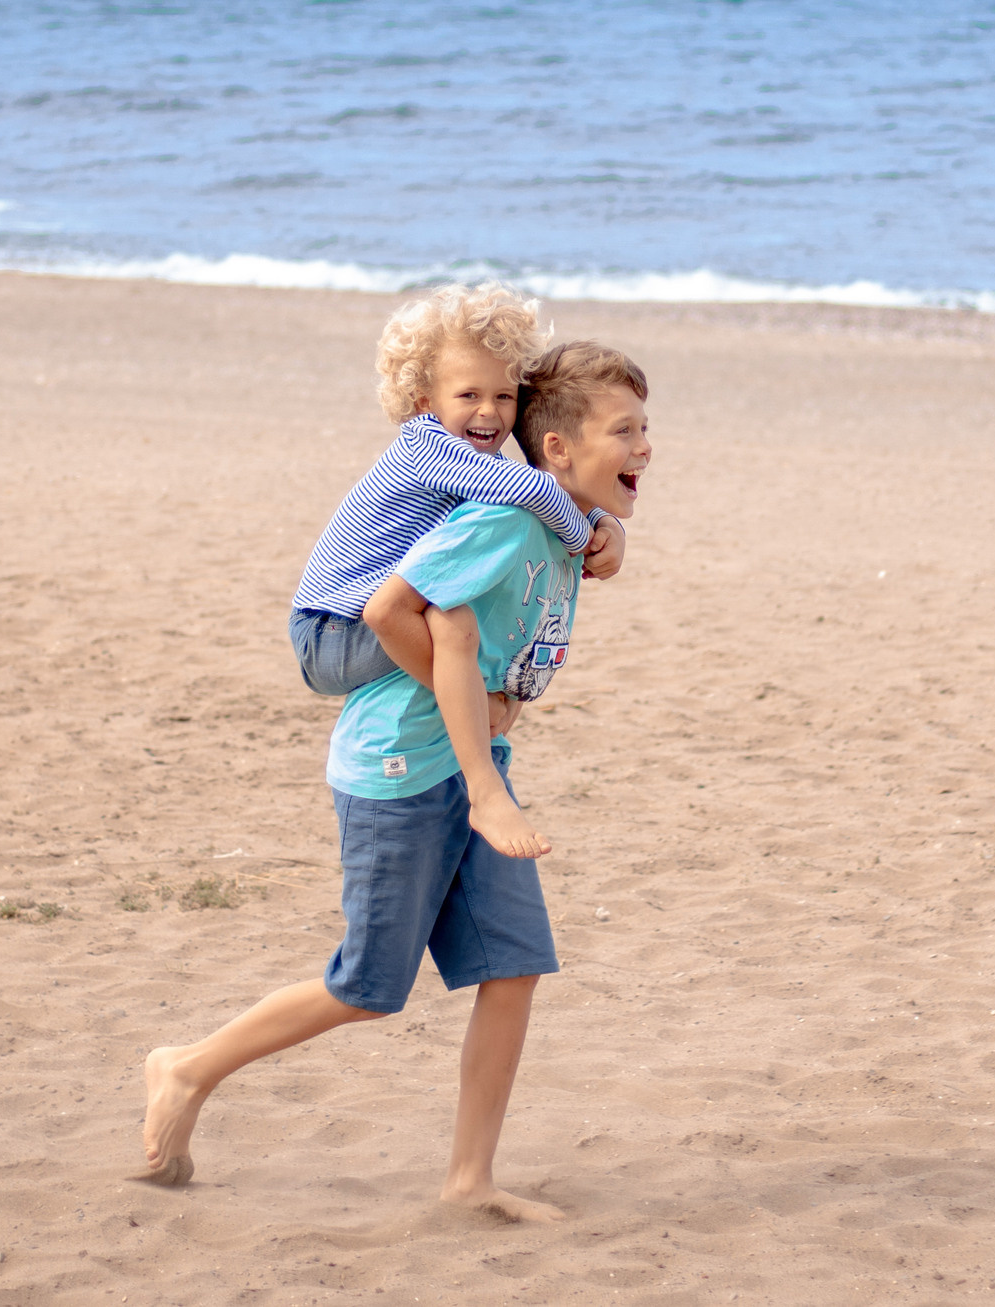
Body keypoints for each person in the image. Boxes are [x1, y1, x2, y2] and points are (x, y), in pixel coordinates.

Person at [136, 341, 653, 1224]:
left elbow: (512, 664)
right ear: (558, 449)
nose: (645, 447)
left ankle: (469, 1178)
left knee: (515, 966)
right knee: (366, 986)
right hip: (398, 769)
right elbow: (387, 610)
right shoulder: (505, 520)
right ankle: (185, 1067)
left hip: (473, 767)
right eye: (627, 430)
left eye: (647, 429)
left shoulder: (562, 536)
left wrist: (503, 706)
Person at [288, 283, 623, 702]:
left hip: (350, 626)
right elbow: (535, 487)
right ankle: (473, 704)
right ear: (426, 400)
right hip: (331, 630)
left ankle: (474, 704)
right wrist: (584, 538)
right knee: (461, 619)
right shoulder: (425, 444)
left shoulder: (480, 466)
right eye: (469, 395)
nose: (489, 410)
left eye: (504, 396)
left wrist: (603, 521)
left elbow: (531, 493)